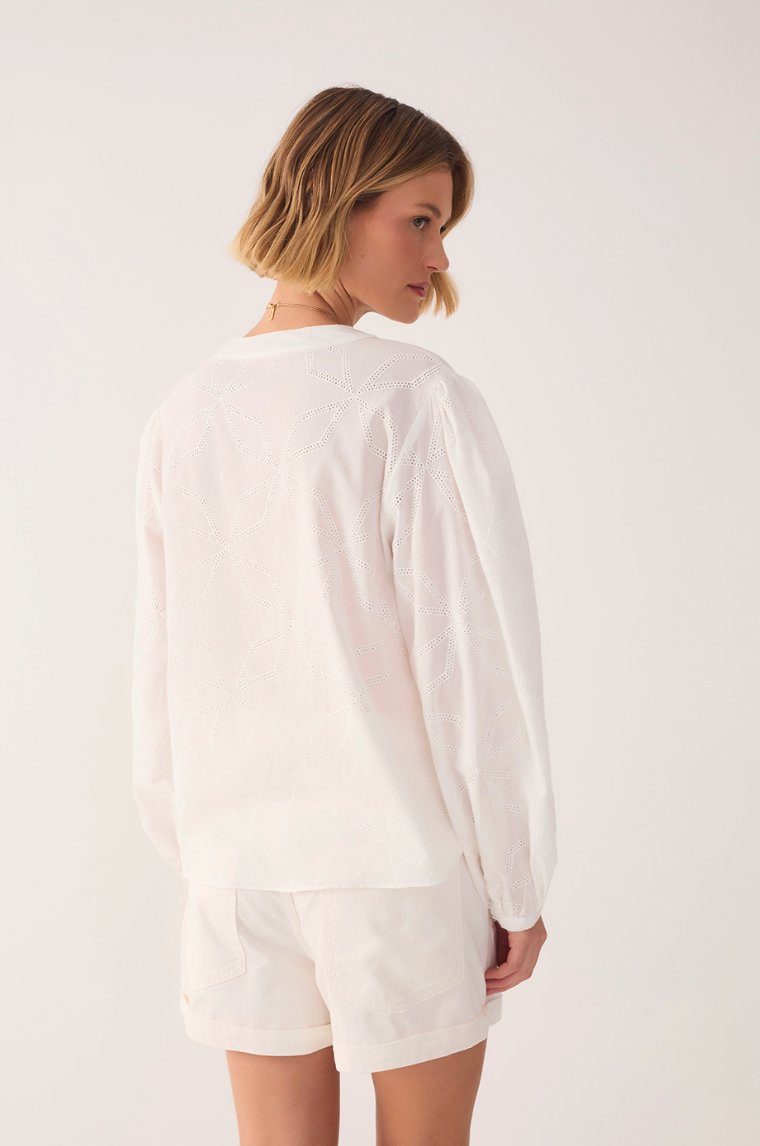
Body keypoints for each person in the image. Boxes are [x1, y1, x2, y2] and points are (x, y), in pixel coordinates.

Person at [131, 84, 557, 1146]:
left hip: (236, 873)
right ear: (337, 201)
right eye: (421, 220)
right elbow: (467, 666)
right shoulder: (413, 397)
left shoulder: (185, 410)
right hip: (395, 870)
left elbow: (160, 671)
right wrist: (514, 881)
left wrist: (201, 850)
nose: (439, 257)